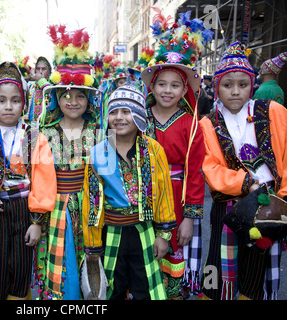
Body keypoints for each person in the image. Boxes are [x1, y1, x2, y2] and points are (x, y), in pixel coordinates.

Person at [199, 41, 287, 300]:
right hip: (228, 204)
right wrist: (245, 181)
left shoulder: (273, 111)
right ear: (217, 88)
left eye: (243, 84)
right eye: (227, 85)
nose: (235, 92)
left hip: (269, 203)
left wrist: (282, 196)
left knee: (256, 266)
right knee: (216, 261)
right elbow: (210, 166)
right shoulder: (208, 123)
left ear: (252, 85)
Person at [0, 61, 57, 300]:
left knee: (20, 268)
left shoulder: (35, 135)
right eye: (1, 100)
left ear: (24, 102)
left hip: (24, 210)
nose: (8, 107)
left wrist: (37, 221)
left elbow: (43, 178)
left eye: (15, 100)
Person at [82, 83, 177, 300]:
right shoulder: (97, 153)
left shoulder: (153, 150)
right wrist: (93, 246)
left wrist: (163, 235)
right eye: (113, 112)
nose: (119, 117)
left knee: (145, 288)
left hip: (143, 232)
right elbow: (93, 203)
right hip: (112, 232)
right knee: (112, 287)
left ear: (139, 115)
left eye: (127, 111)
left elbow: (163, 194)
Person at [141, 9, 210, 299]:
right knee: (143, 256)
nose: (167, 90)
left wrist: (190, 218)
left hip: (178, 197)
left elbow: (195, 173)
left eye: (175, 85)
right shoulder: (139, 119)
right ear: (152, 85)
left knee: (172, 255)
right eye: (161, 84)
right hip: (143, 196)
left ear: (184, 90)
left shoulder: (192, 125)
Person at [35, 25, 100, 300]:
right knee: (62, 264)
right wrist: (37, 219)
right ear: (55, 98)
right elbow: (38, 180)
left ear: (90, 99)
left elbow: (104, 175)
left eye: (80, 95)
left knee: (92, 265)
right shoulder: (45, 133)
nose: (72, 101)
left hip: (89, 207)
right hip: (56, 209)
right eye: (65, 95)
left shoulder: (99, 132)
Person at [26, 56, 51, 122]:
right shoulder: (29, 85)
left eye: (43, 69)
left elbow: (48, 91)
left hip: (46, 126)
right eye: (38, 68)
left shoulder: (52, 85)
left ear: (48, 71)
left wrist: (41, 80)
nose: (40, 71)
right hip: (29, 125)